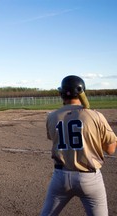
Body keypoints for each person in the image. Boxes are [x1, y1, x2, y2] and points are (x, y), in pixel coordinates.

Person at [41, 75, 117, 216]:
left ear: (62, 93)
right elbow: (111, 149)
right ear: (82, 93)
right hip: (89, 178)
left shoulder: (52, 116)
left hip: (60, 177)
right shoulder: (96, 116)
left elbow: (55, 138)